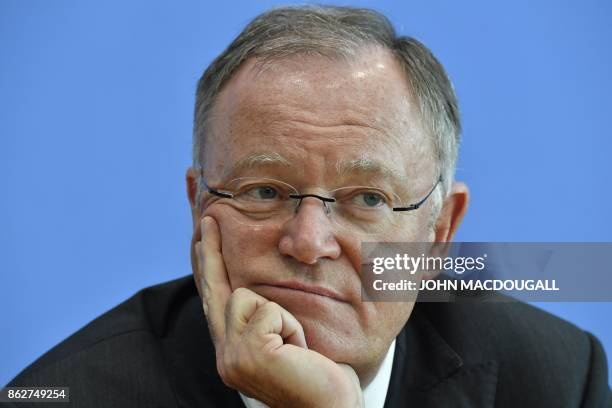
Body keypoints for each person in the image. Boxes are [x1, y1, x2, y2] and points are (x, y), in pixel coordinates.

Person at [5, 5, 610, 407]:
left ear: (439, 233)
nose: (309, 241)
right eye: (263, 192)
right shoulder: (65, 395)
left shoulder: (557, 377)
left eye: (368, 199)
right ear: (198, 210)